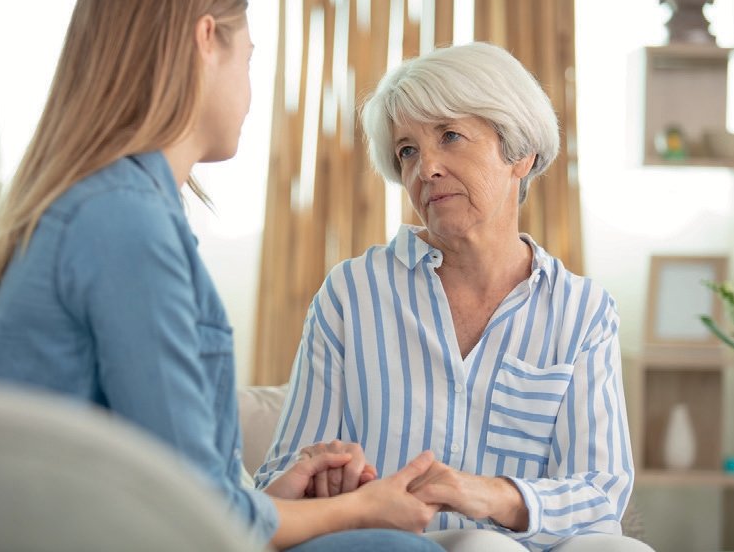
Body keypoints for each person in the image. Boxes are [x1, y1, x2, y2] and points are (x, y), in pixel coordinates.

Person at [0, 0, 445, 551]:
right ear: (207, 39)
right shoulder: (124, 223)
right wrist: (361, 509)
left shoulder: (95, 206)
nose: (253, 94)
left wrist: (270, 502)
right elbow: (192, 510)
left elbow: (174, 482)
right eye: (249, 58)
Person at [255, 42, 651, 552]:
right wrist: (320, 476)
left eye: (450, 136)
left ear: (520, 152)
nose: (426, 169)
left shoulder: (583, 311)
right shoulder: (351, 293)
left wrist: (489, 496)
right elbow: (281, 477)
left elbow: (602, 492)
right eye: (407, 151)